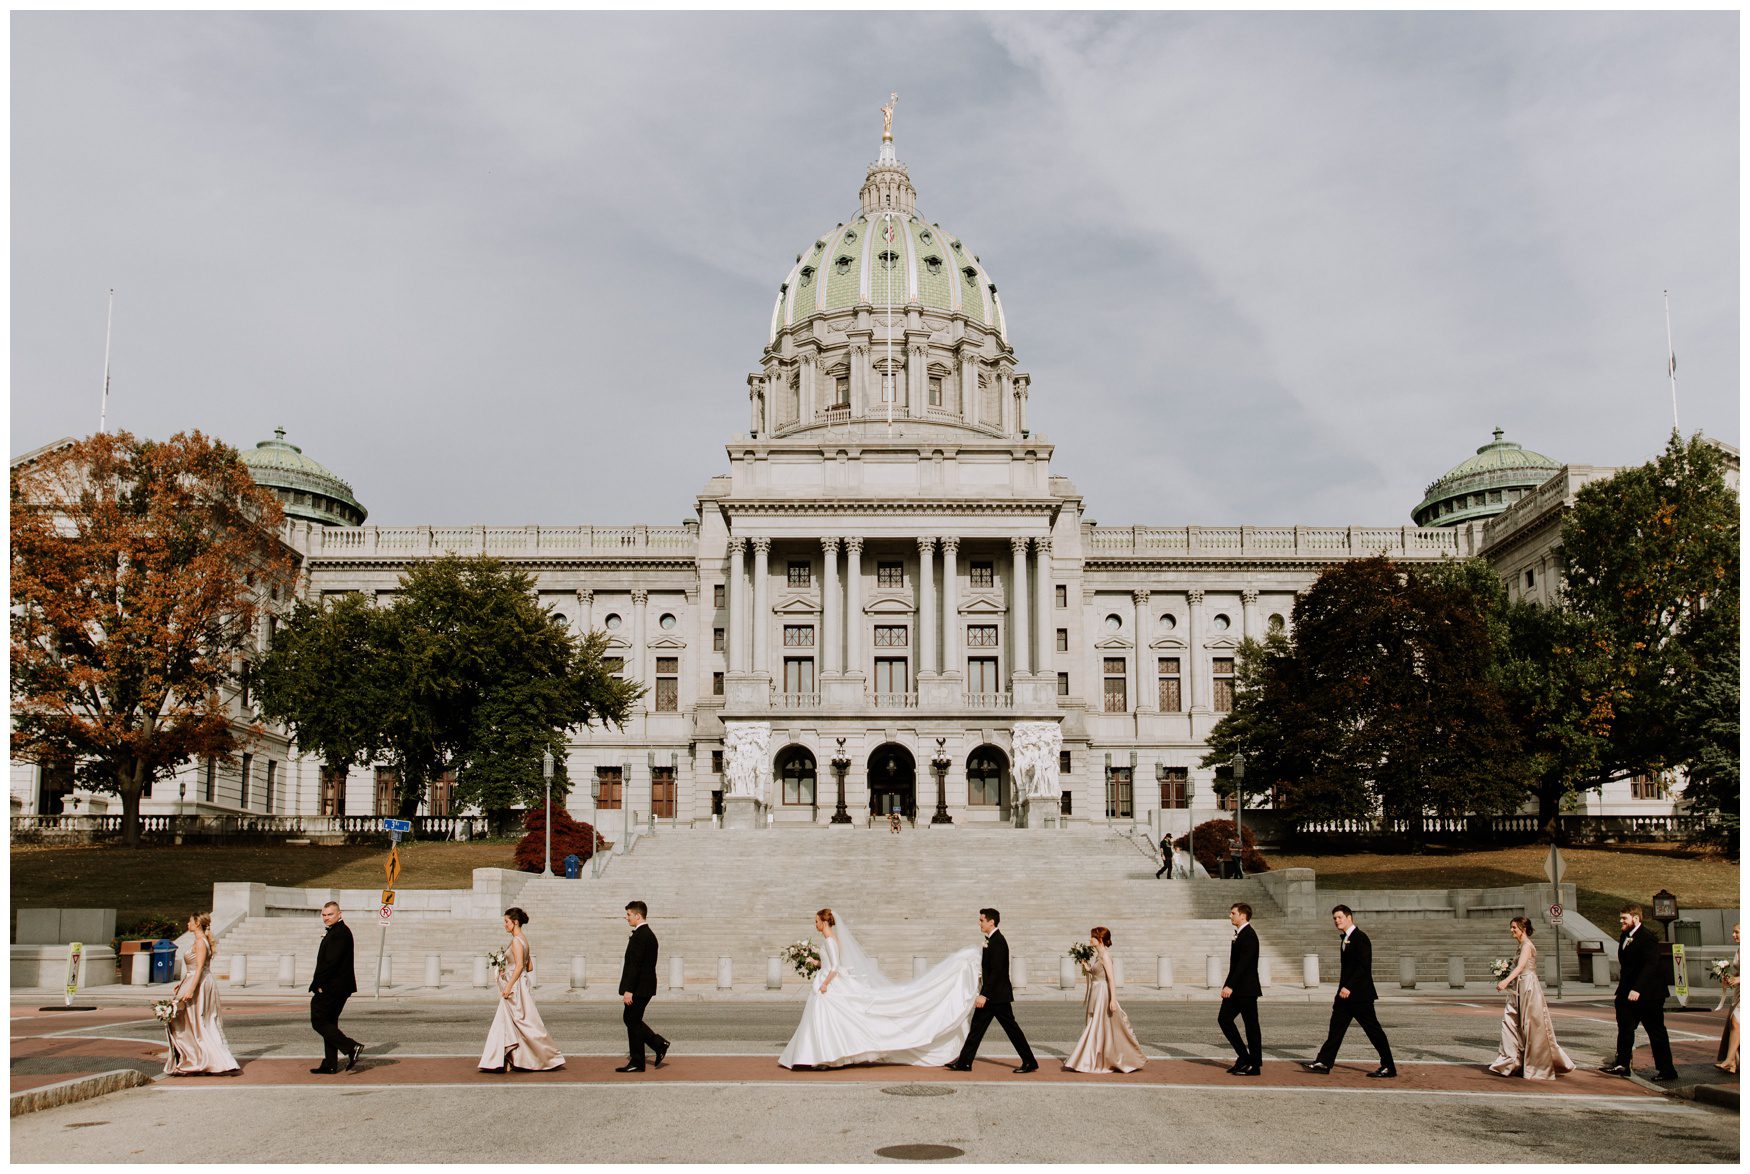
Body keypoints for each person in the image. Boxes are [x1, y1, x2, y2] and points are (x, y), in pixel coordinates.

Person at [779, 907, 980, 1069]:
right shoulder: (830, 940)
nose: (815, 925)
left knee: (829, 1022)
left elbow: (834, 967)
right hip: (827, 982)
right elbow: (827, 963)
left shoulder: (830, 940)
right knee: (827, 1022)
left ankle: (826, 1055)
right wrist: (811, 961)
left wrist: (824, 984)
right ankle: (823, 1055)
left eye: (816, 921)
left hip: (828, 985)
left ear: (824, 922)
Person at [1303, 904, 1395, 1078]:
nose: (1336, 921)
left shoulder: (1360, 938)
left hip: (1360, 996)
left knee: (1373, 1030)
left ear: (1349, 918)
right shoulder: (1346, 939)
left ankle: (1388, 1066)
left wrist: (1349, 987)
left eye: (1339, 917)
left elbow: (1363, 967)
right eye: (1334, 918)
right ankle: (1324, 1062)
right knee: (1336, 1029)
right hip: (1345, 997)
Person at [946, 908, 1038, 1074]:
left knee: (1012, 1030)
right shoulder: (991, 940)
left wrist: (984, 994)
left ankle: (1030, 1062)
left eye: (982, 920)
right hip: (992, 996)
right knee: (976, 1028)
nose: (979, 923)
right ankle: (964, 1062)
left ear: (991, 922)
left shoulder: (998, 941)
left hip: (997, 996)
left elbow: (997, 972)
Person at [478, 907, 564, 1072]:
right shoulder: (524, 939)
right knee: (517, 1022)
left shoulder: (517, 941)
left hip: (515, 987)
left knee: (518, 1023)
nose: (504, 925)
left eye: (506, 921)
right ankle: (509, 1058)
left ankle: (500, 1059)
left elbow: (519, 967)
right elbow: (529, 966)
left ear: (515, 922)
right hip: (522, 984)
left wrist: (508, 984)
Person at [1487, 916, 1574, 1079]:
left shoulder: (1527, 945)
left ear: (1523, 928)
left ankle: (1536, 1064)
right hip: (1520, 985)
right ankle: (1511, 1061)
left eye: (1514, 927)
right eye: (1511, 927)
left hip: (1528, 986)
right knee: (1511, 1021)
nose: (1511, 930)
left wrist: (1506, 980)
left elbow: (1521, 967)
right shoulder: (1520, 945)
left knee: (1531, 1024)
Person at [1600, 903, 1677, 1081]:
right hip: (1627, 993)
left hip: (1649, 994)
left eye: (1624, 918)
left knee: (1656, 1032)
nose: (1621, 921)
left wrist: (1637, 989)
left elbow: (1651, 965)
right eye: (1621, 918)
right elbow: (1627, 967)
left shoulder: (1647, 937)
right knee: (1625, 1028)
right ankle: (1622, 1064)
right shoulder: (1624, 935)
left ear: (1636, 918)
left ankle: (1667, 1070)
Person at [163, 912, 240, 1076]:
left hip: (199, 984)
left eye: (190, 921)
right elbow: (195, 969)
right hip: (196, 981)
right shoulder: (200, 941)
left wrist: (190, 989)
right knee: (195, 1022)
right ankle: (198, 1058)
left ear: (197, 923)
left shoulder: (200, 942)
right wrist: (183, 984)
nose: (188, 924)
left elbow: (199, 968)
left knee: (198, 1021)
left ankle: (208, 1060)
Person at [1063, 926, 1146, 1073]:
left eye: (1093, 937)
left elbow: (1111, 979)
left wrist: (1113, 1000)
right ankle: (1095, 1057)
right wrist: (1086, 966)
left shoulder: (1106, 956)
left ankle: (1090, 1059)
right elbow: (1096, 973)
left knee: (1098, 1026)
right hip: (1096, 992)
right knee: (1097, 1026)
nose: (1090, 939)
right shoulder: (1099, 955)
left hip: (1102, 993)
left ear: (1100, 939)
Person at [308, 901, 362, 1075]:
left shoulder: (339, 933)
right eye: (324, 914)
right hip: (337, 986)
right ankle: (330, 1064)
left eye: (330, 914)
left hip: (332, 987)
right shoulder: (337, 932)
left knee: (319, 1021)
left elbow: (331, 963)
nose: (326, 918)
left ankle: (351, 1047)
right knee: (329, 1023)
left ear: (339, 914)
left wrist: (318, 985)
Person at [617, 900, 669, 1073]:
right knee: (632, 1020)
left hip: (639, 988)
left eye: (629, 914)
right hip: (644, 986)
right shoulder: (646, 934)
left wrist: (629, 990)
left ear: (638, 915)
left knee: (631, 1020)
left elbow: (636, 965)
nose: (626, 918)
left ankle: (643, 1057)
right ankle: (653, 1048)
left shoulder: (641, 936)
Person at [1218, 902, 1262, 1076]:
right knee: (1224, 1020)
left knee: (1251, 1026)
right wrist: (1227, 984)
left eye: (1233, 913)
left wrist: (1230, 985)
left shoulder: (1249, 935)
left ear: (1242, 916)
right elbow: (1235, 965)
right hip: (1237, 988)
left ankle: (1255, 1064)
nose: (1230, 916)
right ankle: (1244, 1056)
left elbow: (1244, 964)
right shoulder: (1240, 934)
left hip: (1246, 990)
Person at [1715, 923, 1739, 1074]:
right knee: (1735, 1024)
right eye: (1733, 932)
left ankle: (1730, 1059)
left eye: (1737, 932)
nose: (1733, 935)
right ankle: (1733, 1061)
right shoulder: (1740, 949)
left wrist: (1738, 979)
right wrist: (1730, 978)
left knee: (1736, 1022)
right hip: (1740, 992)